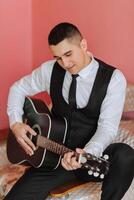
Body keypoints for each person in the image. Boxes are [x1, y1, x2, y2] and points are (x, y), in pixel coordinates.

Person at [5, 22, 134, 200]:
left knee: (125, 155)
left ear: (83, 45)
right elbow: (17, 89)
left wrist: (87, 153)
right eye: (58, 57)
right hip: (54, 160)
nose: (64, 63)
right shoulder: (49, 70)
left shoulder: (113, 78)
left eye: (68, 54)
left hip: (91, 157)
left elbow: (108, 128)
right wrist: (16, 124)